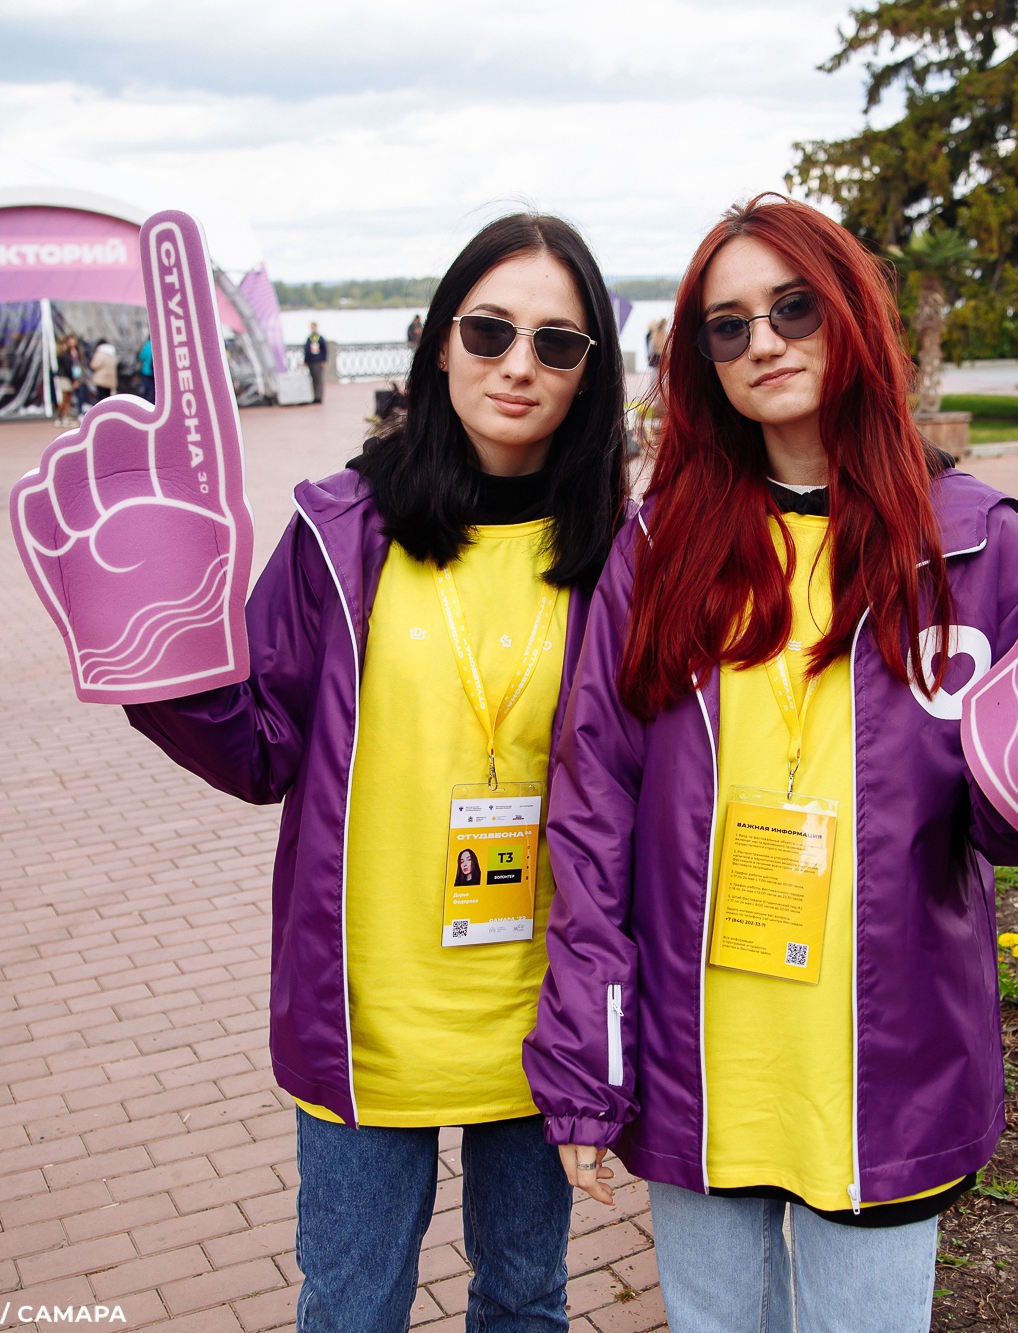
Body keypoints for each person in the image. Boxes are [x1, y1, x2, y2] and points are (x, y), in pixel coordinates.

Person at [525, 195, 1018, 1333]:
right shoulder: (659, 546)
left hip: (884, 1064)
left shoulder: (974, 543)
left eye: (791, 308)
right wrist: (582, 1048)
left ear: (850, 316)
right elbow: (592, 806)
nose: (761, 341)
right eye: (725, 326)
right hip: (699, 1059)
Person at [122, 214, 628, 1333]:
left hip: (536, 1021)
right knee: (351, 1309)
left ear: (591, 375)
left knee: (527, 1301)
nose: (517, 365)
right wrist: (150, 655)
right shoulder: (337, 530)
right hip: (366, 1019)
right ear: (438, 342)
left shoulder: (620, 553)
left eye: (556, 344)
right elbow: (258, 747)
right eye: (490, 329)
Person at [53, 337, 78, 425]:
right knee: (65, 397)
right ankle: (61, 417)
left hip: (64, 376)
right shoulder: (65, 354)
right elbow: (68, 367)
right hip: (65, 377)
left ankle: (64, 417)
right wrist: (72, 380)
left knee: (67, 398)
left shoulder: (63, 353)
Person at [303, 322, 330, 403]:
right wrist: (306, 361)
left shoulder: (320, 338)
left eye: (314, 327)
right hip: (311, 361)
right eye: (312, 327)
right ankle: (315, 396)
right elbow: (306, 350)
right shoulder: (309, 338)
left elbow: (324, 349)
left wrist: (324, 360)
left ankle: (319, 397)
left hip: (318, 361)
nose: (313, 329)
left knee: (319, 379)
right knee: (313, 379)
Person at [138, 335, 155, 404]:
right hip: (155, 373)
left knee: (145, 388)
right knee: (153, 390)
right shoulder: (158, 345)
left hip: (147, 371)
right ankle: (152, 403)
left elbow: (141, 357)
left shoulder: (147, 345)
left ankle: (143, 403)